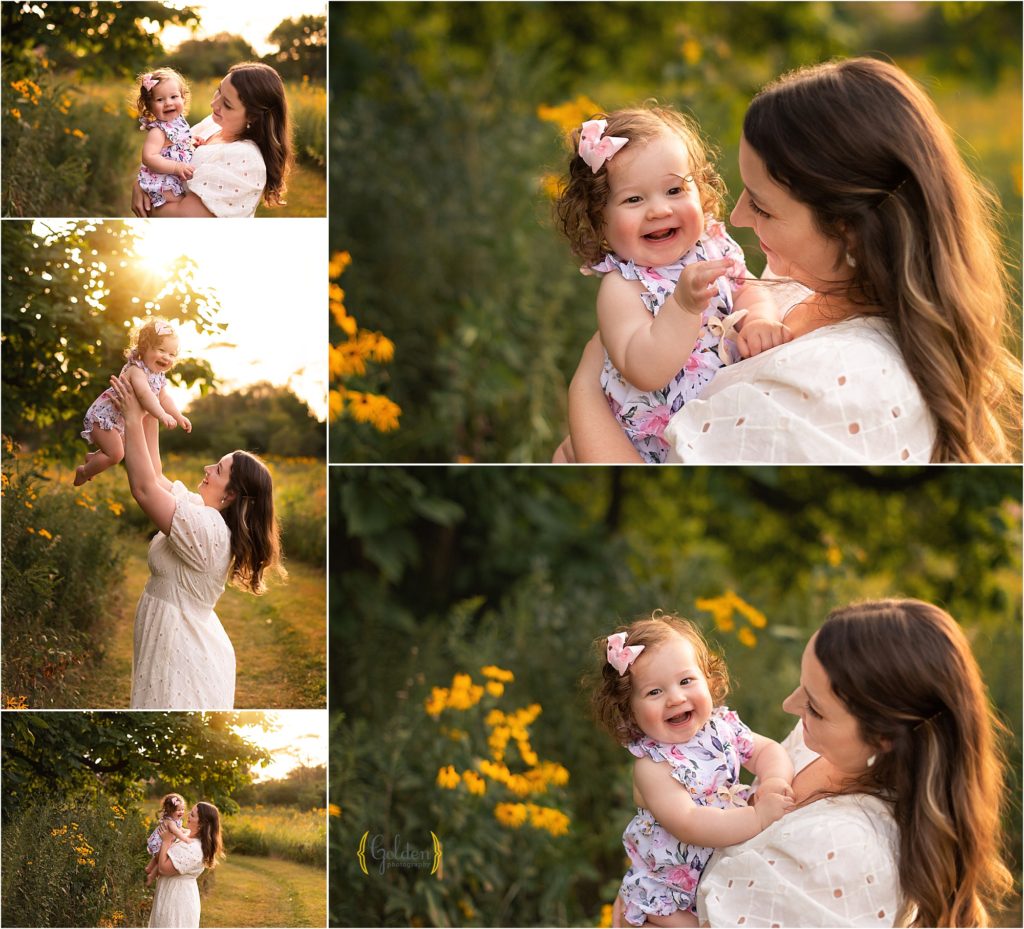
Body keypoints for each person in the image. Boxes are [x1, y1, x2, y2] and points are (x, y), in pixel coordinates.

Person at [569, 58, 1021, 464]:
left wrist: (586, 386)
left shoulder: (831, 387)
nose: (737, 216)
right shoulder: (804, 279)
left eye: (763, 206)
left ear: (847, 231)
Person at [639, 599, 1012, 928]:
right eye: (803, 686)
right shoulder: (816, 743)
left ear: (883, 738)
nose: (789, 705)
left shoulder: (844, 849)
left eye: (814, 706)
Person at [553, 106, 783, 463]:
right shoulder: (623, 287)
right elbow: (645, 371)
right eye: (634, 199)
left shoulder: (712, 245)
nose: (659, 210)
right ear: (600, 220)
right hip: (648, 445)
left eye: (674, 189)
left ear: (700, 190)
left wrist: (758, 320)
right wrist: (683, 307)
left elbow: (748, 288)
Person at [593, 612, 794, 926]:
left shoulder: (723, 727)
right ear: (630, 711)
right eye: (654, 692)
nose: (675, 698)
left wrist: (774, 780)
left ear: (709, 681)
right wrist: (758, 816)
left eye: (686, 681)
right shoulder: (652, 766)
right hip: (669, 893)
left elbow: (767, 749)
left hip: (720, 866)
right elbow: (689, 822)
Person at [106, 369, 285, 710]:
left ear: (231, 494)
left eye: (217, 469)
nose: (206, 468)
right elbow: (155, 475)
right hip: (172, 641)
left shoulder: (208, 531)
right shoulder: (201, 513)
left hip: (183, 654)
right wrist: (149, 406)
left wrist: (130, 416)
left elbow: (143, 490)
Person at [131, 62, 293, 218]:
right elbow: (161, 153)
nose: (214, 103)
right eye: (219, 91)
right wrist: (140, 185)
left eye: (227, 104)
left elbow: (183, 218)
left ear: (253, 117)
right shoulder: (213, 124)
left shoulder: (244, 157)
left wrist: (147, 201)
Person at [75, 317, 190, 486]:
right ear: (144, 348)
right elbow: (145, 395)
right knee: (115, 455)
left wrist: (178, 416)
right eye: (161, 350)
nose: (166, 357)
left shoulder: (158, 375)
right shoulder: (136, 370)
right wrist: (162, 415)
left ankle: (93, 459)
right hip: (104, 419)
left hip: (119, 421)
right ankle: (83, 471)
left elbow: (164, 397)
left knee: (113, 453)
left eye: (172, 354)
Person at [149, 801, 223, 929]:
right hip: (169, 893)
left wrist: (166, 841)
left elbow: (163, 869)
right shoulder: (187, 835)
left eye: (193, 815)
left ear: (201, 824)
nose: (188, 815)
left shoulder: (195, 848)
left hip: (177, 900)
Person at [135, 68, 196, 209]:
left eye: (174, 97)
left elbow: (177, 141)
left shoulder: (178, 121)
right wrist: (176, 167)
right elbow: (148, 157)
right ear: (149, 106)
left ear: (183, 98)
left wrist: (192, 140)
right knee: (179, 205)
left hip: (175, 176)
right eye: (160, 99)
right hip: (163, 180)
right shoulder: (158, 131)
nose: (168, 103)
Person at [145, 793, 190, 886]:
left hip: (158, 842)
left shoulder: (174, 820)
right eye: (178, 810)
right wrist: (186, 839)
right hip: (159, 843)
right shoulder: (170, 822)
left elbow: (180, 829)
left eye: (182, 809)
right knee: (165, 858)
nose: (181, 812)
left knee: (158, 857)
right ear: (170, 810)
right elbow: (177, 832)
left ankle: (149, 868)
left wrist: (186, 831)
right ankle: (151, 876)